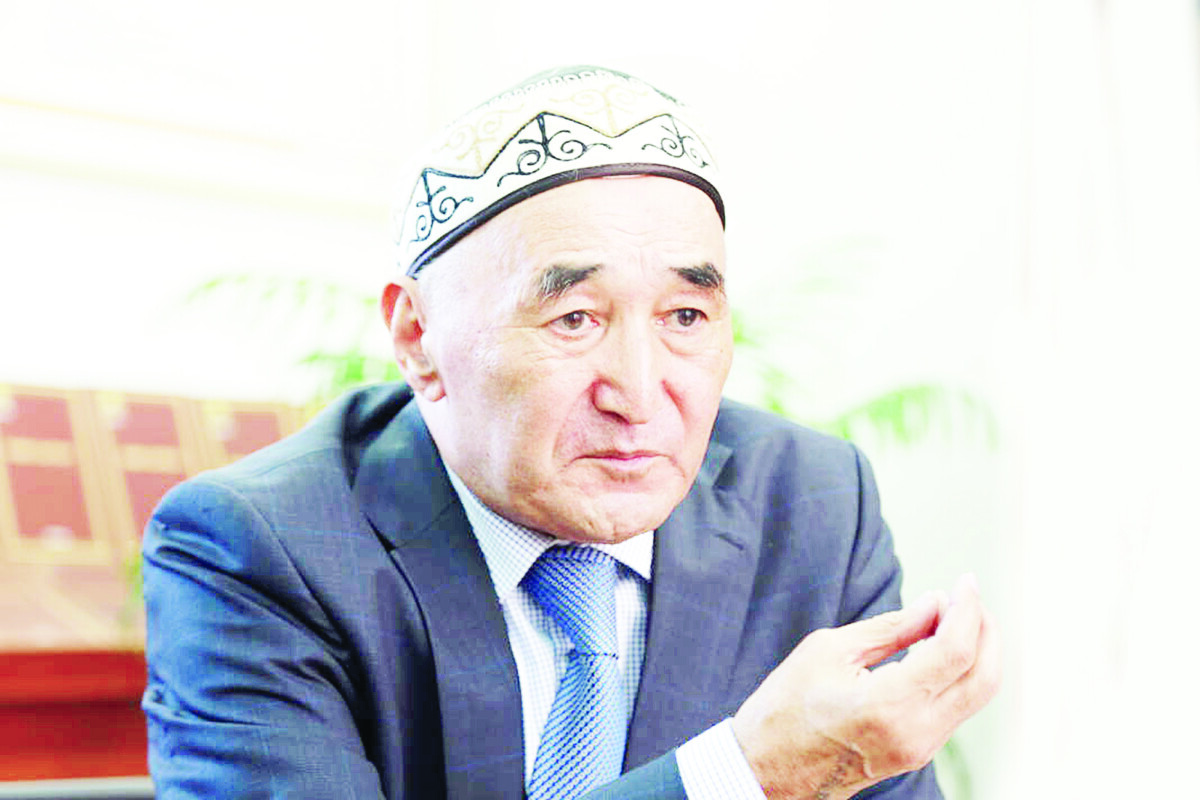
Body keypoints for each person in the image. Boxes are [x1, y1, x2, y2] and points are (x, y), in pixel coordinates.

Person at [142, 65, 1000, 799]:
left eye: (686, 315)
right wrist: (744, 775)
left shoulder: (813, 506)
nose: (639, 393)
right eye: (575, 318)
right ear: (418, 337)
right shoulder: (262, 549)